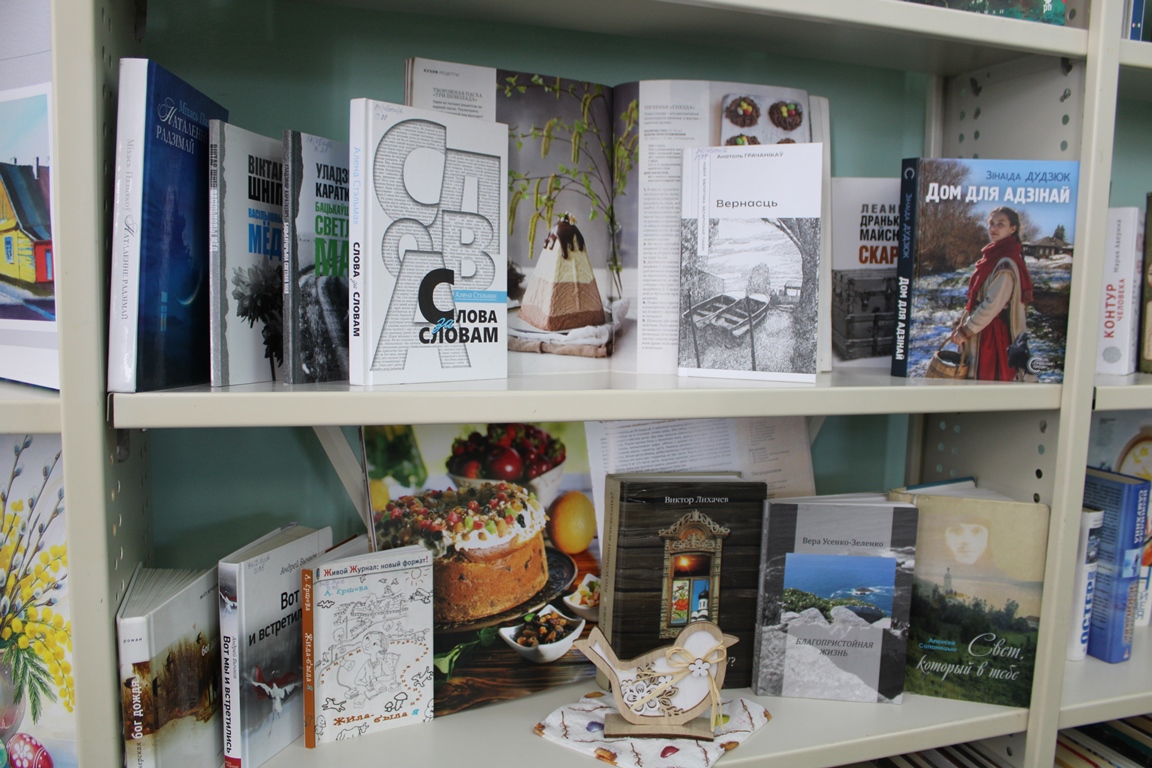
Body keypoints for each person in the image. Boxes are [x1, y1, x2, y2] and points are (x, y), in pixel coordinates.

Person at [949, 206, 1034, 381]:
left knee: (986, 382)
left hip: (991, 336)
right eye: (991, 223)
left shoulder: (1005, 263)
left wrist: (966, 330)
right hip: (982, 329)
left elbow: (992, 305)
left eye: (1000, 224)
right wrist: (963, 321)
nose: (993, 228)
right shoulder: (992, 257)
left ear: (1012, 229)